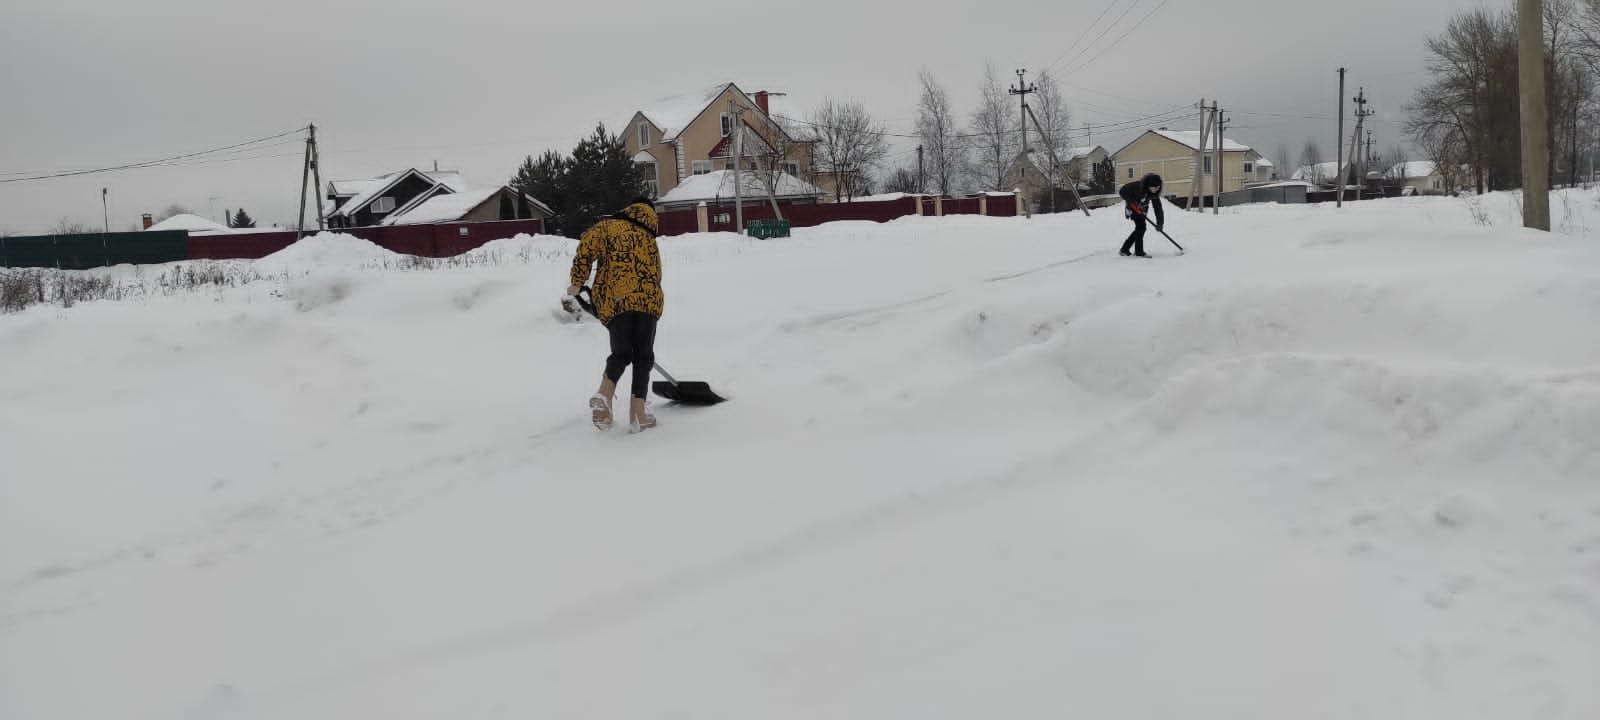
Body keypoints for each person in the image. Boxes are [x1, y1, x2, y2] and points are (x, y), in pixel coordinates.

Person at [568, 198, 664, 433]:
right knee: (643, 358)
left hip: (617, 299)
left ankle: (604, 394)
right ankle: (639, 414)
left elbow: (586, 246)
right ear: (650, 215)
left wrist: (577, 282)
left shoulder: (608, 227)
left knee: (621, 353)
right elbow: (656, 275)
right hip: (648, 303)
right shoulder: (650, 240)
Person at [1118, 172, 1166, 258]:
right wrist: (1132, 202)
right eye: (1154, 187)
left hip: (1141, 210)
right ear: (1148, 186)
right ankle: (1138, 252)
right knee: (1141, 227)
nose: (1156, 189)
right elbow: (1122, 191)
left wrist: (1160, 223)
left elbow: (1158, 208)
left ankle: (1125, 249)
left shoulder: (1154, 193)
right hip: (1132, 208)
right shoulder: (1138, 186)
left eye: (1158, 187)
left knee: (1140, 229)